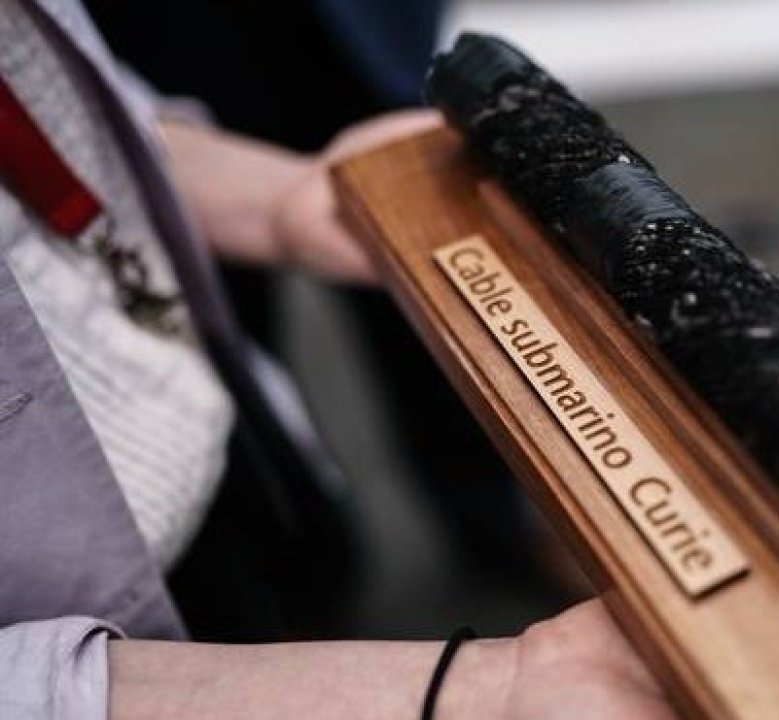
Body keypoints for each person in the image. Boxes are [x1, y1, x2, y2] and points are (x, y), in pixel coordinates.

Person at [0, 1, 674, 718]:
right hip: (73, 611)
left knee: (288, 557)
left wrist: (275, 197)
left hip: (199, 429)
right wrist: (470, 691)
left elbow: (55, 92)